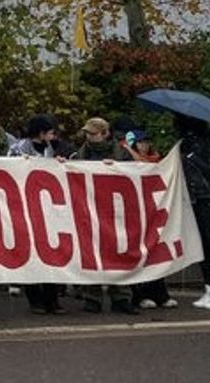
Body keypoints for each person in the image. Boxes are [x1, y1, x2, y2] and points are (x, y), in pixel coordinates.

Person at [71, 118, 139, 315]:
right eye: (88, 134)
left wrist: (118, 167)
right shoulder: (80, 154)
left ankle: (121, 297)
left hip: (116, 211)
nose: (89, 137)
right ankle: (92, 297)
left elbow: (136, 174)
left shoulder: (122, 154)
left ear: (105, 133)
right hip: (89, 211)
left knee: (119, 252)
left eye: (93, 133)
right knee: (91, 253)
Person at [8, 114, 68, 315]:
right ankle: (35, 299)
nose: (53, 136)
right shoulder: (18, 149)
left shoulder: (53, 148)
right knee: (32, 254)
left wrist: (60, 163)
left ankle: (52, 299)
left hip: (48, 209)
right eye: (50, 132)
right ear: (41, 133)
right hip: (25, 208)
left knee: (51, 252)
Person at [122, 130, 176, 309]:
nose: (144, 145)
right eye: (140, 142)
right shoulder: (127, 160)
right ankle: (141, 295)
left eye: (146, 142)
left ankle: (160, 294)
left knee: (154, 252)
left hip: (151, 211)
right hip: (134, 212)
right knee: (139, 253)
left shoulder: (156, 159)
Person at [175, 115, 210, 309]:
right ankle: (208, 287)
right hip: (195, 199)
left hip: (205, 198)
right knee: (202, 245)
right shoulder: (186, 145)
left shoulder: (203, 146)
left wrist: (192, 158)